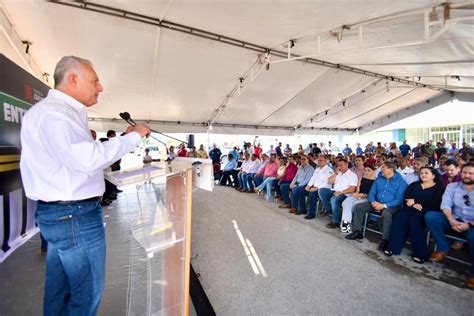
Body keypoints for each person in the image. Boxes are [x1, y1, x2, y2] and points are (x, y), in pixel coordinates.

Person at [20, 56, 150, 315]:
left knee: (61, 288)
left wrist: (124, 138)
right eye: (95, 81)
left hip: (63, 215)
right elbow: (87, 159)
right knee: (86, 293)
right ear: (73, 79)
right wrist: (134, 137)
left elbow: (79, 155)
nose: (100, 87)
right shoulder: (55, 115)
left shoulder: (57, 113)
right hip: (73, 216)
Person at [425, 162, 474, 288]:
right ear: (460, 172)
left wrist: (469, 224)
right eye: (465, 172)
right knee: (431, 216)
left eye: (471, 173)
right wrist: (451, 219)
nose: (467, 175)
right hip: (454, 218)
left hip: (471, 223)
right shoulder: (452, 186)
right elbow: (446, 205)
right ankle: (443, 248)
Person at [384, 167, 445, 263]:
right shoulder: (414, 185)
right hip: (411, 208)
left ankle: (421, 253)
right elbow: (407, 197)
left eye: (426, 173)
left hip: (427, 211)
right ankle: (393, 247)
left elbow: (436, 202)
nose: (423, 175)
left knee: (414, 221)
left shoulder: (439, 187)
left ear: (433, 175)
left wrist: (417, 201)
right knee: (400, 217)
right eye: (421, 173)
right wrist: (412, 203)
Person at [346, 161, 407, 252]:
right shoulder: (379, 179)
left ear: (391, 169)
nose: (380, 169)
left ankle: (385, 239)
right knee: (358, 207)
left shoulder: (401, 182)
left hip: (391, 205)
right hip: (376, 202)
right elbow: (372, 192)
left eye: (383, 168)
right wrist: (373, 202)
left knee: (386, 214)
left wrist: (384, 205)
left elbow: (399, 199)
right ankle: (357, 231)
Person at [318, 158, 358, 228]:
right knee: (321, 190)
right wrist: (336, 173)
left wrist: (341, 192)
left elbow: (352, 189)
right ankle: (328, 209)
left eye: (341, 165)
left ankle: (335, 221)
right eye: (338, 165)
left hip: (345, 194)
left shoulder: (352, 175)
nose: (339, 167)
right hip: (335, 191)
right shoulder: (338, 173)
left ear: (347, 165)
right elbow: (329, 181)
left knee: (334, 199)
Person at [340, 165, 377, 234]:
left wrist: (362, 195)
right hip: (358, 196)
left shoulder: (376, 181)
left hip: (368, 198)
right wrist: (356, 194)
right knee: (346, 202)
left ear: (373, 171)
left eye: (368, 171)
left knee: (356, 205)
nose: (366, 172)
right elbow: (358, 190)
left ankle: (352, 224)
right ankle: (346, 225)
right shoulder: (361, 179)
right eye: (365, 170)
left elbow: (374, 195)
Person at [304, 154, 334, 219]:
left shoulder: (329, 170)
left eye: (321, 160)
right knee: (302, 189)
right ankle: (302, 209)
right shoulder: (317, 169)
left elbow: (327, 182)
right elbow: (313, 178)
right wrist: (308, 186)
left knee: (312, 194)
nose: (319, 162)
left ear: (325, 161)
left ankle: (311, 213)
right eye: (318, 160)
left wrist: (316, 188)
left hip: (324, 189)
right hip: (315, 187)